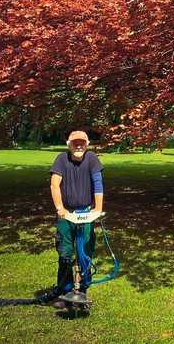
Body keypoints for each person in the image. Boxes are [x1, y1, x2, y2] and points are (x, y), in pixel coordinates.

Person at [48, 130, 104, 305]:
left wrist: (98, 209)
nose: (78, 146)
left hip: (86, 213)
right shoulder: (61, 159)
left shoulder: (92, 159)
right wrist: (60, 209)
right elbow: (54, 185)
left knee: (85, 252)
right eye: (75, 143)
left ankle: (83, 290)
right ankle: (64, 291)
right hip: (67, 214)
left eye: (82, 142)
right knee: (65, 252)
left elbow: (98, 184)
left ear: (87, 144)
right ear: (68, 144)